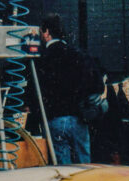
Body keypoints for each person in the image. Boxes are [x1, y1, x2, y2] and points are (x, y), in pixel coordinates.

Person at [35, 13, 97, 164]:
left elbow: (35, 90)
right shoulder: (79, 54)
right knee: (84, 165)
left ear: (46, 32)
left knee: (63, 168)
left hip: (55, 119)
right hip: (79, 119)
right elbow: (96, 84)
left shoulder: (41, 58)